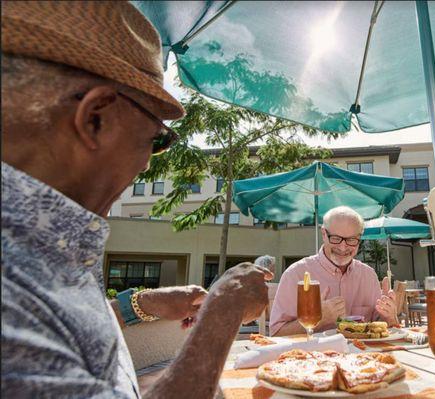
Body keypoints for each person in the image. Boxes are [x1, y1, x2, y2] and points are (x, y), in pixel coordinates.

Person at [1, 2, 272, 398]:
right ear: (96, 117)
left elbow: (60, 324)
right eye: (156, 140)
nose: (147, 164)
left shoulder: (49, 237)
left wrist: (140, 304)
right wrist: (223, 313)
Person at [269, 206, 399, 336]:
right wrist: (319, 318)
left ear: (359, 239)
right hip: (313, 355)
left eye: (351, 240)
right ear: (324, 234)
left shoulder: (369, 276)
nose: (343, 247)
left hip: (364, 355)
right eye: (336, 238)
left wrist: (391, 318)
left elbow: (380, 328)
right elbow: (276, 334)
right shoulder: (296, 274)